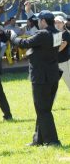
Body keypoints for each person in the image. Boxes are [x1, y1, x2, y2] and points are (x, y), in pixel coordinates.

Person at [9, 10, 62, 146]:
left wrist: (13, 36)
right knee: (43, 109)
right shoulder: (57, 33)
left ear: (43, 21)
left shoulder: (43, 34)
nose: (38, 22)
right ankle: (38, 140)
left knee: (42, 110)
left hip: (41, 77)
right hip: (52, 76)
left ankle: (52, 141)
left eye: (39, 20)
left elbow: (24, 43)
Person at [55, 15, 70, 91]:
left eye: (59, 22)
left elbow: (61, 47)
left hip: (64, 63)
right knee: (52, 85)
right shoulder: (55, 33)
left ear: (63, 23)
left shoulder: (67, 34)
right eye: (55, 22)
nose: (57, 24)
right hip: (55, 63)